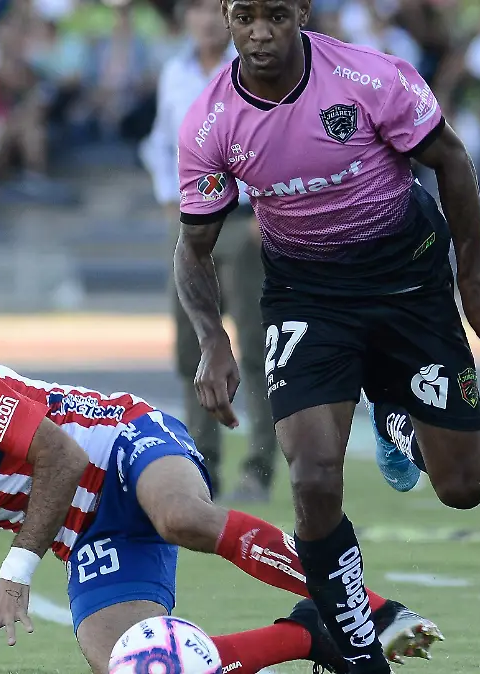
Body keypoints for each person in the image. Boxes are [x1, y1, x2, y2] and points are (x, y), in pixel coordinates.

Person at [0, 310, 439, 674]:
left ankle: (372, 611)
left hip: (122, 441)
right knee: (130, 666)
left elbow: (60, 455)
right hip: (84, 531)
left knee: (182, 517)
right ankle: (308, 635)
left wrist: (15, 575)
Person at [174, 0, 480, 670]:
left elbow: (451, 160)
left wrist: (472, 285)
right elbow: (193, 247)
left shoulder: (372, 78)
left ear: (302, 12)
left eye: (276, 14)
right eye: (244, 16)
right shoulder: (210, 120)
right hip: (308, 296)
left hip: (408, 282)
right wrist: (213, 339)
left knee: (462, 488)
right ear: (227, 17)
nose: (260, 32)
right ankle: (356, 645)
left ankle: (395, 420)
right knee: (313, 476)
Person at [139, 0, 277, 502]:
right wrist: (167, 194)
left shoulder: (255, 67)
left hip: (242, 221)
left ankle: (259, 466)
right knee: (193, 345)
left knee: (256, 348)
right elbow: (160, 142)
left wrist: (267, 207)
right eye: (194, 8)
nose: (204, 19)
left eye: (212, 8)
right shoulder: (175, 72)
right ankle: (203, 464)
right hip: (190, 222)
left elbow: (275, 138)